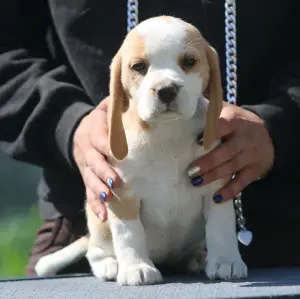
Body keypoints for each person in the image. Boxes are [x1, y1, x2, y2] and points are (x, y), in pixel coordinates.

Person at [0, 0, 300, 277]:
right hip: (81, 224)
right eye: (140, 67)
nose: (167, 84)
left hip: (284, 223)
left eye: (188, 62)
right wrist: (66, 123)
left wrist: (283, 122)